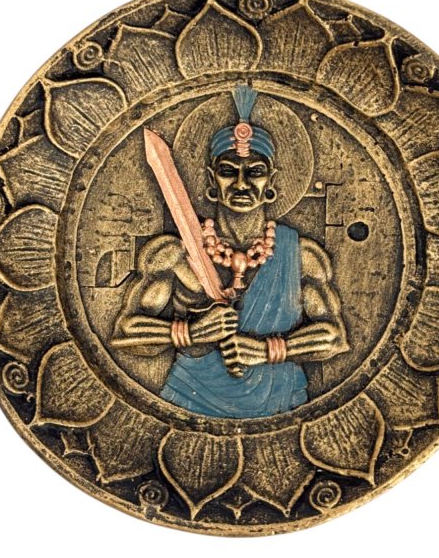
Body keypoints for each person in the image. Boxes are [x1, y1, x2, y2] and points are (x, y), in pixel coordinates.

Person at [111, 85, 348, 418]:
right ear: (212, 182)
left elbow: (335, 337)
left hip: (282, 408)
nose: (241, 184)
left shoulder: (301, 256)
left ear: (271, 183)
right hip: (189, 404)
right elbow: (126, 331)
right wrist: (190, 333)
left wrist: (269, 350)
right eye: (227, 171)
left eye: (255, 172)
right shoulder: (172, 254)